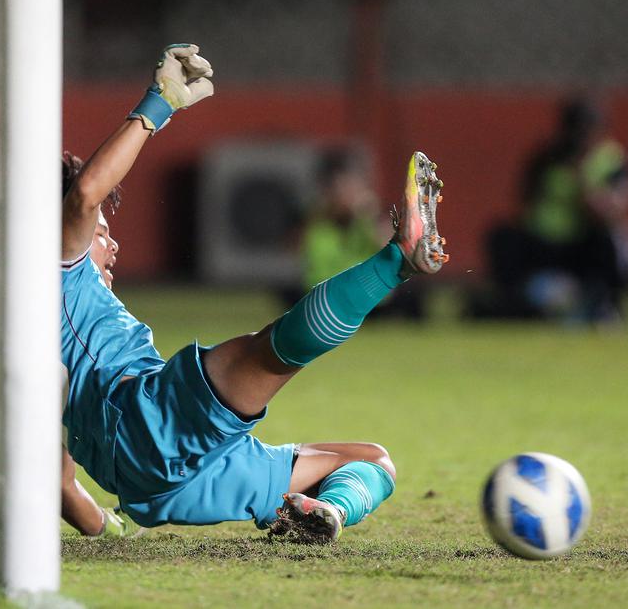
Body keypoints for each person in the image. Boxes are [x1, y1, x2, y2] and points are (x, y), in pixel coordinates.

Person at [58, 44, 448, 543]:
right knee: (272, 352)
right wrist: (159, 103)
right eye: (101, 232)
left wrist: (104, 528)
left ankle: (323, 514)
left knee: (372, 460)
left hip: (156, 485)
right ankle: (396, 261)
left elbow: (61, 483)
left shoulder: (38, 332)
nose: (112, 243)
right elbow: (87, 192)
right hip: (148, 422)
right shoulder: (58, 271)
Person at [471, 97, 628, 323]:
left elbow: (614, 209)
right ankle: (515, 302)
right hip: (543, 241)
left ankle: (605, 306)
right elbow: (525, 201)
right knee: (501, 237)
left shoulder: (613, 161)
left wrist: (582, 182)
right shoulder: (546, 158)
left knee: (612, 243)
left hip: (584, 242)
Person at [291, 148, 424, 320]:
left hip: (374, 305)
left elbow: (399, 250)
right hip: (325, 303)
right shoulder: (313, 221)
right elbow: (294, 251)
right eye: (338, 187)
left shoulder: (372, 217)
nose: (345, 194)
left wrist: (368, 214)